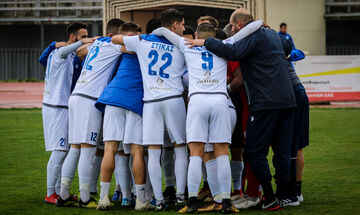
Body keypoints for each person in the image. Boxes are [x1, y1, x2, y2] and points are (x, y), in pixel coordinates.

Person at [186, 8, 297, 211]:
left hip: (265, 101)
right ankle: (285, 195)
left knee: (254, 151)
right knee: (282, 150)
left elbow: (233, 52)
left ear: (238, 25)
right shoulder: (271, 33)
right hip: (287, 99)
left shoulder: (253, 36)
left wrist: (207, 42)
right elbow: (288, 46)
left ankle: (269, 198)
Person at [111, 9, 188, 210]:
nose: (184, 28)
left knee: (153, 152)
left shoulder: (142, 41)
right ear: (174, 26)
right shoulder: (182, 44)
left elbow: (115, 39)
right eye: (182, 24)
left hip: (151, 101)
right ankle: (180, 196)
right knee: (180, 148)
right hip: (173, 98)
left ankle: (159, 200)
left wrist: (139, 38)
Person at [56, 19, 123, 208]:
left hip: (76, 96)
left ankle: (64, 194)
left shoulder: (98, 43)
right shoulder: (113, 45)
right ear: (114, 36)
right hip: (89, 99)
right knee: (87, 149)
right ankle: (85, 198)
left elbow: (79, 52)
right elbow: (132, 49)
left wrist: (95, 40)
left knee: (75, 148)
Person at [95, 22, 155, 211]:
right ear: (138, 33)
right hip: (135, 99)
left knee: (110, 149)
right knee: (137, 151)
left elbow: (106, 40)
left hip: (114, 97)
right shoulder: (145, 44)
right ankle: (140, 200)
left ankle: (103, 198)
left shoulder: (118, 47)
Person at [41, 22, 90, 205]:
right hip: (56, 108)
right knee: (60, 151)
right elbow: (58, 53)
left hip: (63, 107)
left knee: (67, 150)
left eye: (86, 36)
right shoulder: (59, 53)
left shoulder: (70, 56)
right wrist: (54, 44)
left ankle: (63, 192)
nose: (85, 39)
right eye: (82, 36)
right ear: (72, 37)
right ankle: (50, 193)